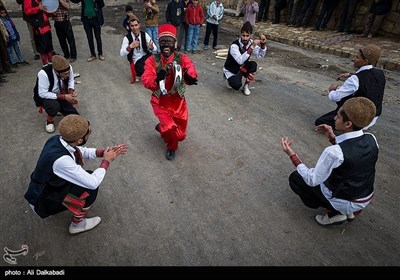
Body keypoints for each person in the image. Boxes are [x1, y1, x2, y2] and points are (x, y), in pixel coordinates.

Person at [24, 114, 128, 235]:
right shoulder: (62, 161)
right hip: (42, 200)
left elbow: (79, 151)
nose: (89, 132)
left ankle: (74, 211)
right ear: (79, 140)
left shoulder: (57, 139)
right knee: (90, 188)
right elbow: (93, 182)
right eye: (88, 132)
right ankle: (77, 224)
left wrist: (103, 152)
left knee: (85, 178)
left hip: (46, 186)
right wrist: (106, 161)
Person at [282, 97, 378, 226]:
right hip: (364, 196)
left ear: (348, 124)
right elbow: (352, 159)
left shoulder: (333, 152)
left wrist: (291, 154)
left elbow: (312, 180)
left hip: (344, 199)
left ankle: (335, 213)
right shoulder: (371, 139)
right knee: (342, 172)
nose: (334, 118)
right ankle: (349, 211)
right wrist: (333, 138)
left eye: (338, 117)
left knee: (296, 178)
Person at [142, 23, 198, 161]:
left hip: (178, 102)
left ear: (175, 43)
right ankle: (171, 147)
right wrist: (157, 79)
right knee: (171, 129)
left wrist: (190, 77)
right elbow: (146, 79)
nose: (166, 45)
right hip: (160, 102)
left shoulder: (182, 58)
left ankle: (161, 128)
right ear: (158, 43)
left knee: (181, 135)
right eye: (163, 42)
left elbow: (190, 68)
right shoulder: (152, 60)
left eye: (169, 41)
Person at [315, 44, 385, 130]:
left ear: (365, 61)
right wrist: (350, 74)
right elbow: (367, 77)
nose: (353, 59)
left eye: (357, 57)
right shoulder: (380, 73)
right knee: (348, 94)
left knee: (320, 122)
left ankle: (349, 128)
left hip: (358, 120)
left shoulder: (355, 80)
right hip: (373, 117)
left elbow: (334, 97)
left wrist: (332, 90)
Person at [34, 55, 79, 133]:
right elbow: (42, 93)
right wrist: (64, 96)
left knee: (75, 117)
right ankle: (49, 120)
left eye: (68, 73)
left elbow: (71, 80)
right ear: (56, 72)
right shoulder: (43, 74)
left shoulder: (68, 67)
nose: (67, 75)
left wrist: (70, 94)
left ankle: (60, 108)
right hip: (47, 96)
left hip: (60, 93)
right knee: (54, 106)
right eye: (65, 74)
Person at [223, 21, 267, 96]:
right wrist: (252, 47)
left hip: (241, 67)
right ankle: (230, 79)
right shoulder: (234, 46)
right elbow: (240, 60)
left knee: (253, 65)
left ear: (251, 35)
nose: (245, 38)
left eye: (247, 36)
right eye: (243, 35)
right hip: (231, 69)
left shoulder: (250, 43)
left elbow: (260, 55)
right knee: (236, 86)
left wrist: (263, 44)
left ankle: (246, 86)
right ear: (240, 34)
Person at [120, 15, 156, 84]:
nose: (134, 28)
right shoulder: (127, 38)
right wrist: (130, 47)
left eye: (136, 25)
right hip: (136, 59)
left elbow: (155, 48)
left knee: (157, 61)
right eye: (132, 26)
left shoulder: (144, 34)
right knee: (141, 69)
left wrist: (151, 47)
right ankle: (145, 74)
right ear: (130, 27)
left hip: (145, 55)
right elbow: (122, 53)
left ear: (139, 25)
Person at [23, 0, 54, 66]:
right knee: (43, 49)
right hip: (39, 28)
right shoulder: (27, 0)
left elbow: (45, 10)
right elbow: (27, 11)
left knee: (49, 47)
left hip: (47, 27)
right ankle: (45, 65)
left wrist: (51, 12)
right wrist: (38, 8)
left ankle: (51, 63)